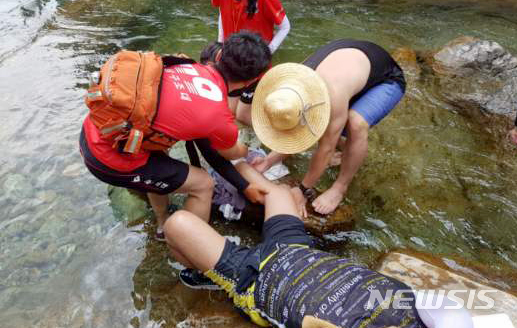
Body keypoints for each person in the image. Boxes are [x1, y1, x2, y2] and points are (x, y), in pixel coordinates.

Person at [163, 162, 474, 328]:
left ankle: (211, 276)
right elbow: (452, 310)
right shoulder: (427, 313)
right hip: (300, 251)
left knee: (176, 226)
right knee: (280, 193)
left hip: (254, 280)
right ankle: (235, 163)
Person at [80, 32, 272, 241]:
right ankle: (186, 248)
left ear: (218, 56)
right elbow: (226, 154)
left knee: (159, 153)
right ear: (251, 81)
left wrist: (244, 186)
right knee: (204, 184)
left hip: (96, 131)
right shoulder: (219, 116)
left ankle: (163, 225)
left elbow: (206, 148)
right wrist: (243, 147)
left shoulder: (181, 64)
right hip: (109, 161)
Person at [251, 39, 406, 216]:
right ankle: (345, 151)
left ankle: (340, 187)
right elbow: (297, 129)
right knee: (327, 127)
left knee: (355, 124)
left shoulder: (333, 95)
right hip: (351, 63)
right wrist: (269, 161)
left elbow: (325, 148)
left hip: (386, 78)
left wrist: (302, 189)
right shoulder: (289, 86)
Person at [211, 0, 291, 125]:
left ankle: (271, 136)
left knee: (243, 115)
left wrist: (267, 51)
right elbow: (222, 12)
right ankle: (247, 139)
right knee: (230, 111)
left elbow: (285, 27)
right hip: (231, 63)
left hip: (254, 67)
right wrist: (220, 42)